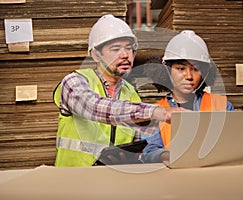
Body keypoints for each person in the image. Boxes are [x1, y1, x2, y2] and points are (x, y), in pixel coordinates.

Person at [53, 14, 181, 167]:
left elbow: (141, 141)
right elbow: (94, 107)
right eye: (115, 49)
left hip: (113, 181)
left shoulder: (132, 94)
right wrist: (160, 112)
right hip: (74, 180)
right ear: (96, 55)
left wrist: (161, 154)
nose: (125, 55)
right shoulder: (74, 82)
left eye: (129, 49)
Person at [141, 30, 234, 163]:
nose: (189, 76)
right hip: (173, 178)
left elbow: (233, 145)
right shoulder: (156, 111)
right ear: (167, 71)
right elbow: (149, 152)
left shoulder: (223, 106)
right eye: (181, 68)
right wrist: (173, 156)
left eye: (195, 69)